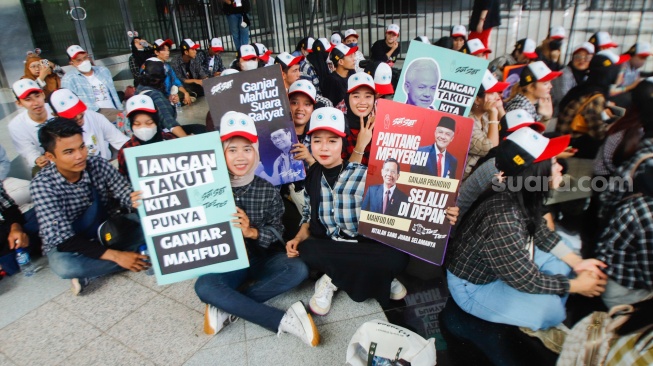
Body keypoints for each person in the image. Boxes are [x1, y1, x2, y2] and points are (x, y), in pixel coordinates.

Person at [447, 127, 607, 332]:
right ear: (534, 171)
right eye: (553, 162)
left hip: (507, 270)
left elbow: (540, 232)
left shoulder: (519, 193)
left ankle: (544, 293)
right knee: (553, 312)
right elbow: (524, 279)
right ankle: (540, 299)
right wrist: (577, 286)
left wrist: (578, 263)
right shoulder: (503, 219)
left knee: (566, 254)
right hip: (474, 287)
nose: (560, 167)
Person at [194, 111, 319, 347]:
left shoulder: (267, 190)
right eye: (232, 150)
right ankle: (283, 319)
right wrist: (148, 202)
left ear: (256, 152)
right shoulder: (207, 186)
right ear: (222, 153)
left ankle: (227, 307)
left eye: (247, 149)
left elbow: (277, 231)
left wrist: (251, 231)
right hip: (229, 262)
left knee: (298, 269)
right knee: (204, 286)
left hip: (263, 257)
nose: (240, 157)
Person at [285, 107, 410, 315]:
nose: (324, 147)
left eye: (332, 141)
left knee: (398, 257)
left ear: (343, 144)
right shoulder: (313, 176)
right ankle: (380, 275)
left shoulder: (366, 176)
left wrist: (443, 213)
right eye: (317, 140)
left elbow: (402, 207)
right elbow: (308, 214)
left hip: (364, 244)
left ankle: (333, 276)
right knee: (306, 250)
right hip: (331, 244)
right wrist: (298, 238)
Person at [30, 118, 149, 295]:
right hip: (71, 244)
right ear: (50, 157)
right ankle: (139, 257)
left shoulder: (97, 164)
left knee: (148, 226)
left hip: (108, 229)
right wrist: (117, 256)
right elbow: (64, 239)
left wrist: (134, 200)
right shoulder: (42, 185)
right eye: (69, 152)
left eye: (81, 147)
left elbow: (124, 192)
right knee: (65, 267)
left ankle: (99, 267)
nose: (79, 156)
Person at [456, 111, 545, 218]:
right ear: (507, 137)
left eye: (534, 132)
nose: (530, 136)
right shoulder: (499, 163)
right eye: (523, 131)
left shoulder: (515, 163)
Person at [595, 165, 653, 308]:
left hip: (631, 278)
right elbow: (650, 272)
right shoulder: (647, 215)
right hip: (625, 290)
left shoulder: (643, 198)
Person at [556, 50, 626, 159]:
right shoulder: (596, 97)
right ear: (609, 73)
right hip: (572, 148)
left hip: (563, 141)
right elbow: (598, 133)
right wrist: (617, 125)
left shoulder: (582, 88)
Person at [49, 89, 128, 160]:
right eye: (72, 114)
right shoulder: (54, 135)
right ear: (56, 115)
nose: (78, 116)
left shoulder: (94, 117)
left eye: (78, 110)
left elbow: (120, 140)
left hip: (105, 165)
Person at [117, 94, 177, 176]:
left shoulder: (170, 140)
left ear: (156, 122)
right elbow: (122, 180)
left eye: (149, 123)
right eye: (137, 124)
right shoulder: (126, 151)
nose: (143, 128)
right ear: (131, 125)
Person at [60, 45, 123, 123]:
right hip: (93, 115)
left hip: (113, 109)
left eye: (85, 58)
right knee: (125, 119)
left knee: (129, 116)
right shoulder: (69, 79)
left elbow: (113, 94)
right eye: (79, 60)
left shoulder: (102, 70)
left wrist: (120, 108)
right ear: (72, 63)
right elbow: (69, 104)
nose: (83, 62)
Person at [464, 70, 508, 180]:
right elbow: (491, 149)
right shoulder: (466, 121)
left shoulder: (484, 116)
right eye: (492, 92)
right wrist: (494, 113)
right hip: (463, 182)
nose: (497, 96)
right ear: (477, 99)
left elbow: (509, 130)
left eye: (497, 92)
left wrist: (500, 107)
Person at [136, 59, 192, 138]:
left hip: (145, 136)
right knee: (199, 129)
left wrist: (169, 101)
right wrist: (188, 139)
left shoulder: (140, 88)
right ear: (159, 79)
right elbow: (170, 123)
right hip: (160, 136)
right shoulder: (155, 95)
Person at [8, 79, 55, 171]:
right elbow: (26, 150)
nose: (36, 103)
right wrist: (37, 159)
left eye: (37, 96)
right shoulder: (16, 125)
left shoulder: (56, 108)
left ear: (43, 95)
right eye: (28, 100)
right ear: (19, 103)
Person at [551, 42, 594, 114]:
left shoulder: (587, 75)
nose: (582, 60)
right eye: (578, 56)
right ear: (573, 58)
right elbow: (564, 100)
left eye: (587, 57)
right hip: (558, 116)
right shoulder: (565, 74)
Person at [343, 72, 377, 164]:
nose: (362, 102)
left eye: (368, 96)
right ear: (347, 99)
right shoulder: (339, 129)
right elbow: (341, 176)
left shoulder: (378, 128)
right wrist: (360, 145)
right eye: (356, 96)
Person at [152, 39, 192, 106]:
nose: (167, 52)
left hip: (170, 97)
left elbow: (176, 81)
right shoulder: (151, 67)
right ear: (156, 52)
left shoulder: (167, 67)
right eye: (164, 50)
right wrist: (169, 98)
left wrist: (186, 93)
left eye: (168, 50)